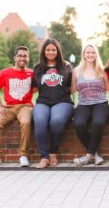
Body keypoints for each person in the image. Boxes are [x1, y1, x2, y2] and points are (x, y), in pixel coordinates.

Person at [0, 46, 34, 167]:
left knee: (26, 122)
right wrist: (0, 106)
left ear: (28, 58)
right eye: (20, 55)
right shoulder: (5, 73)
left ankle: (23, 155)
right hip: (9, 107)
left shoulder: (32, 73)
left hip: (25, 106)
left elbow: (36, 88)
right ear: (15, 57)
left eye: (25, 56)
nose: (23, 58)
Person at [32, 38, 74, 168]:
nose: (51, 52)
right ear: (44, 51)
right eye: (48, 49)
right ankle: (44, 157)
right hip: (43, 102)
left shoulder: (66, 66)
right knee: (39, 121)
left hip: (63, 101)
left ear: (58, 51)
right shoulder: (38, 67)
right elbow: (33, 88)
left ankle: (53, 152)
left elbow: (73, 86)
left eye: (53, 49)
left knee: (56, 121)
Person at [72, 44, 109, 166]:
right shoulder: (77, 71)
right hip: (83, 104)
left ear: (96, 54)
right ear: (83, 54)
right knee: (79, 124)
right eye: (88, 52)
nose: (90, 55)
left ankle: (88, 156)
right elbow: (72, 90)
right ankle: (95, 155)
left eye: (93, 52)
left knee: (98, 123)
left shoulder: (102, 69)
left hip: (101, 104)